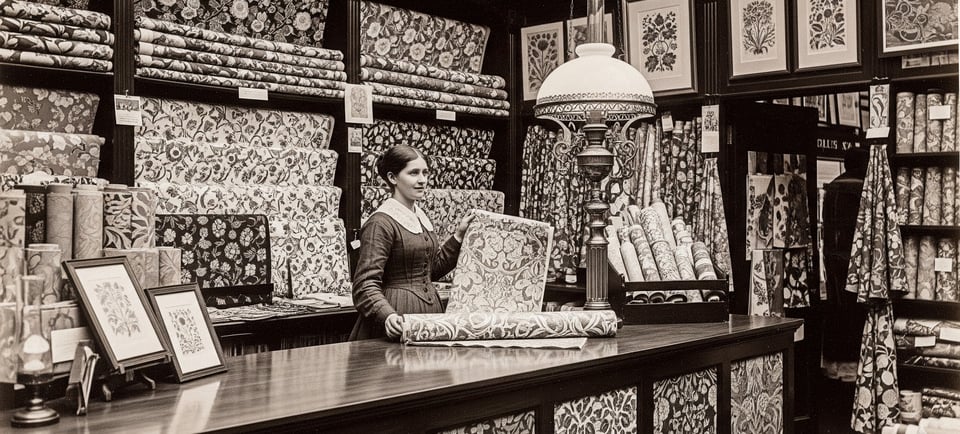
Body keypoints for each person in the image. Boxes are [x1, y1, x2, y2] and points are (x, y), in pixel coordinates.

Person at [349, 145, 474, 340]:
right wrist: (387, 315)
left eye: (425, 172)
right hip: (397, 316)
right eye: (413, 173)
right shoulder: (380, 223)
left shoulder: (420, 217)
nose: (422, 180)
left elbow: (431, 270)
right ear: (392, 178)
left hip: (428, 316)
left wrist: (458, 236)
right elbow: (365, 284)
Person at [819, 146, 869, 431]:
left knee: (838, 311)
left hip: (833, 259)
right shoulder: (864, 187)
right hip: (857, 260)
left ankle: (836, 368)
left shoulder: (833, 187)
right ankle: (854, 370)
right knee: (855, 313)